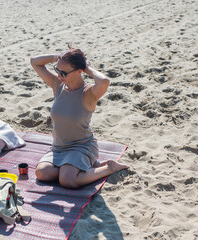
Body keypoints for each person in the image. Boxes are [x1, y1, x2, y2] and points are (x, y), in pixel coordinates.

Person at [30, 46, 129, 188]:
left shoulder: (88, 93)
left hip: (82, 146)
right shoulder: (58, 85)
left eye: (63, 73)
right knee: (43, 173)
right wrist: (58, 57)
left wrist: (87, 68)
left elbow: (104, 81)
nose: (58, 75)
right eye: (57, 70)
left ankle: (109, 167)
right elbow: (35, 62)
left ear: (79, 71)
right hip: (59, 147)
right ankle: (83, 166)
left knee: (67, 180)